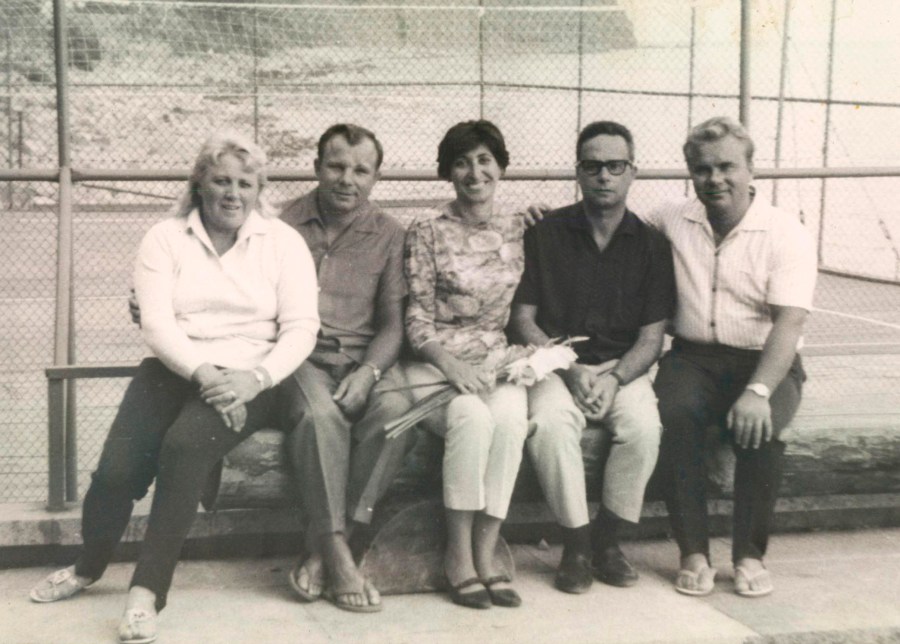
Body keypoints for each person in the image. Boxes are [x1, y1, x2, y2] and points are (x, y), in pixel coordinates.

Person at [29, 131, 320, 643]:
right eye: (221, 181)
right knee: (117, 471)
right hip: (175, 368)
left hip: (250, 377)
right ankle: (88, 565)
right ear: (199, 184)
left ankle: (146, 592)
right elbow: (157, 324)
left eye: (245, 183)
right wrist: (204, 374)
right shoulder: (164, 237)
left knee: (185, 448)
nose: (233, 194)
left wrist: (254, 380)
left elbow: (302, 327)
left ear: (259, 189)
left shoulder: (283, 242)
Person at [644, 116, 817, 598]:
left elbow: (790, 323)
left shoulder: (785, 232)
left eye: (726, 167)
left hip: (764, 360)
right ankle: (693, 552)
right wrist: (541, 217)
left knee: (762, 429)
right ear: (690, 173)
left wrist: (759, 391)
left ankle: (749, 555)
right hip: (693, 359)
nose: (715, 179)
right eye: (702, 169)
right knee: (673, 415)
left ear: (750, 169)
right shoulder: (671, 218)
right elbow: (613, 225)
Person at [510, 121, 675, 594]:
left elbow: (651, 339)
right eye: (593, 165)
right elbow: (523, 319)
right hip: (554, 363)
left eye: (615, 166)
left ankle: (607, 541)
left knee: (643, 428)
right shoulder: (545, 233)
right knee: (550, 424)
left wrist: (615, 379)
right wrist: (567, 366)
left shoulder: (652, 245)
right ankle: (577, 545)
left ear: (632, 172)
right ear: (578, 172)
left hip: (620, 368)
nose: (604, 175)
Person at [278, 123, 415, 613]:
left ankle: (326, 547)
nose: (346, 179)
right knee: (319, 417)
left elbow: (393, 325)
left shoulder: (390, 235)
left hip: (363, 357)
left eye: (361, 170)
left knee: (398, 414)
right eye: (336, 166)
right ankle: (340, 554)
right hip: (299, 355)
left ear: (377, 177)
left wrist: (370, 372)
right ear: (317, 167)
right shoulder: (281, 225)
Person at [403, 120, 528, 609]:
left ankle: (486, 550)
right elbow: (416, 318)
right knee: (472, 418)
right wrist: (450, 365)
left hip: (495, 361)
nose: (475, 173)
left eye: (484, 160)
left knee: (511, 420)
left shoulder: (519, 228)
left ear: (501, 167)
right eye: (461, 163)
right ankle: (457, 555)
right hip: (434, 363)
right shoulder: (427, 232)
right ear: (448, 172)